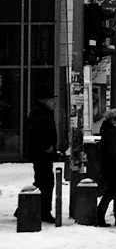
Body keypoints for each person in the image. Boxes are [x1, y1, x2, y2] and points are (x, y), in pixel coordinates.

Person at [26, 90, 58, 223]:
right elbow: (35, 133)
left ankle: (33, 208)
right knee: (45, 182)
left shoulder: (43, 112)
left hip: (43, 154)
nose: (55, 104)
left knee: (43, 181)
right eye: (53, 101)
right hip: (41, 154)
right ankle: (43, 211)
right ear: (46, 101)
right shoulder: (39, 113)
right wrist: (46, 146)